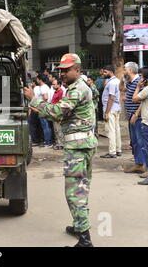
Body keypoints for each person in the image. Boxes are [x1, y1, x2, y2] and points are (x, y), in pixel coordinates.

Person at [24, 53, 97, 247]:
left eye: (66, 70)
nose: (62, 73)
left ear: (78, 70)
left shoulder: (77, 90)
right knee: (82, 189)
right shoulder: (80, 87)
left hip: (78, 148)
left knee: (75, 193)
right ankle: (79, 225)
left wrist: (33, 99)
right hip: (84, 144)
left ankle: (85, 240)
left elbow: (57, 112)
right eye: (61, 70)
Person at [122, 62, 146, 174]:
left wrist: (136, 114)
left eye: (125, 69)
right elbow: (121, 89)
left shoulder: (139, 82)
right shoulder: (130, 82)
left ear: (130, 70)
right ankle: (138, 163)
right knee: (135, 142)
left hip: (137, 117)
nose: (123, 71)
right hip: (131, 115)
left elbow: (143, 101)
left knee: (140, 141)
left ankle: (141, 164)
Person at [100, 65, 122, 159]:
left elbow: (111, 98)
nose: (104, 74)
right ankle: (118, 150)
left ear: (110, 72)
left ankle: (112, 152)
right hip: (116, 108)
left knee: (111, 131)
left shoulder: (112, 83)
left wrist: (106, 112)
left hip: (111, 109)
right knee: (116, 130)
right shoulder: (116, 81)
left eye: (105, 72)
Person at [36, 75, 53, 147]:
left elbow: (45, 97)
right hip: (45, 108)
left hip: (43, 108)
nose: (36, 80)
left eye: (37, 79)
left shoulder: (43, 87)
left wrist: (40, 105)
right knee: (46, 125)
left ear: (40, 80)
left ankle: (48, 142)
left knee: (45, 125)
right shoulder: (45, 86)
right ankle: (47, 141)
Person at [51, 78, 64, 150]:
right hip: (53, 112)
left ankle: (61, 144)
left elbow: (61, 102)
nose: (52, 86)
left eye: (54, 84)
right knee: (56, 129)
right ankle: (58, 143)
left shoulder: (61, 92)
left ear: (59, 85)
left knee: (58, 129)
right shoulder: (55, 92)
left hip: (57, 113)